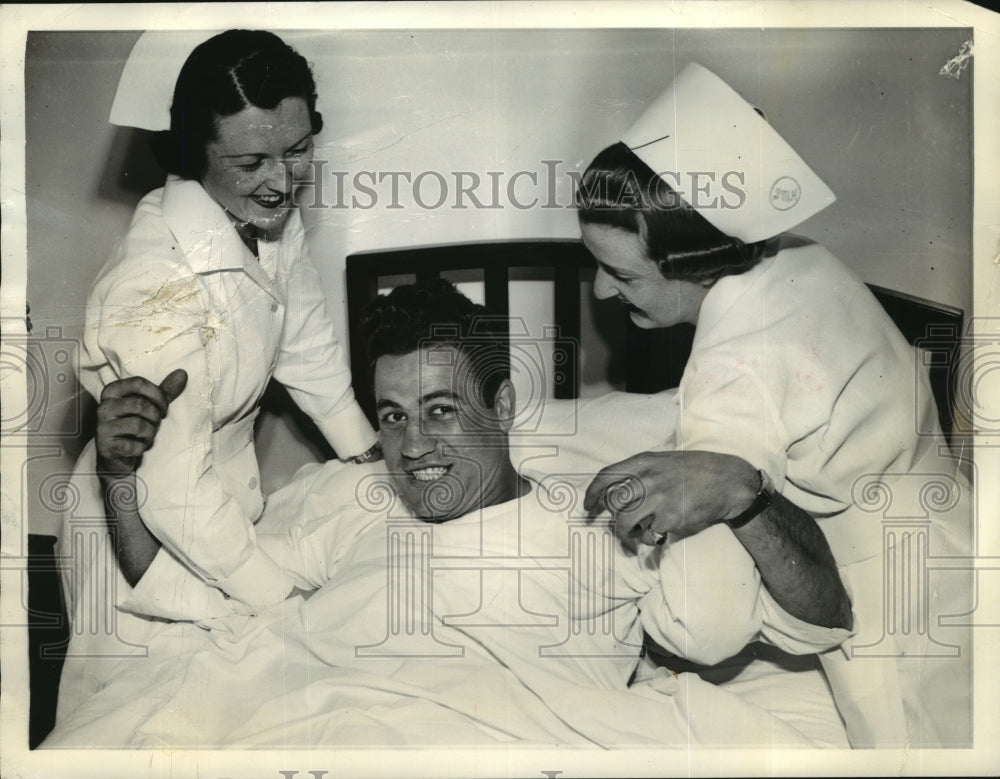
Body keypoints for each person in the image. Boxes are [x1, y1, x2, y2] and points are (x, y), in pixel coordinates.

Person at [46, 279, 853, 748]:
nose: (413, 445)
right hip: (279, 723)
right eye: (393, 416)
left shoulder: (600, 519)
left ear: (501, 405)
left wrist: (747, 495)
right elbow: (191, 597)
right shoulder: (348, 500)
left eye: (440, 409)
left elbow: (821, 618)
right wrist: (121, 474)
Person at [574, 62, 972, 746]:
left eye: (619, 273)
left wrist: (652, 638)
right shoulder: (805, 257)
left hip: (901, 624)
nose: (602, 294)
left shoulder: (728, 381)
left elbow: (709, 626)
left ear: (692, 262)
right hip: (966, 535)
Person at [55, 30, 379, 722]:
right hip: (137, 526)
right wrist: (282, 601)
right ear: (193, 154)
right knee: (149, 720)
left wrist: (367, 450)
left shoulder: (263, 216)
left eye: (297, 149)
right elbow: (171, 490)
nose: (283, 180)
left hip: (219, 509)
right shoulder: (153, 283)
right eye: (252, 160)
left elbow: (304, 340)